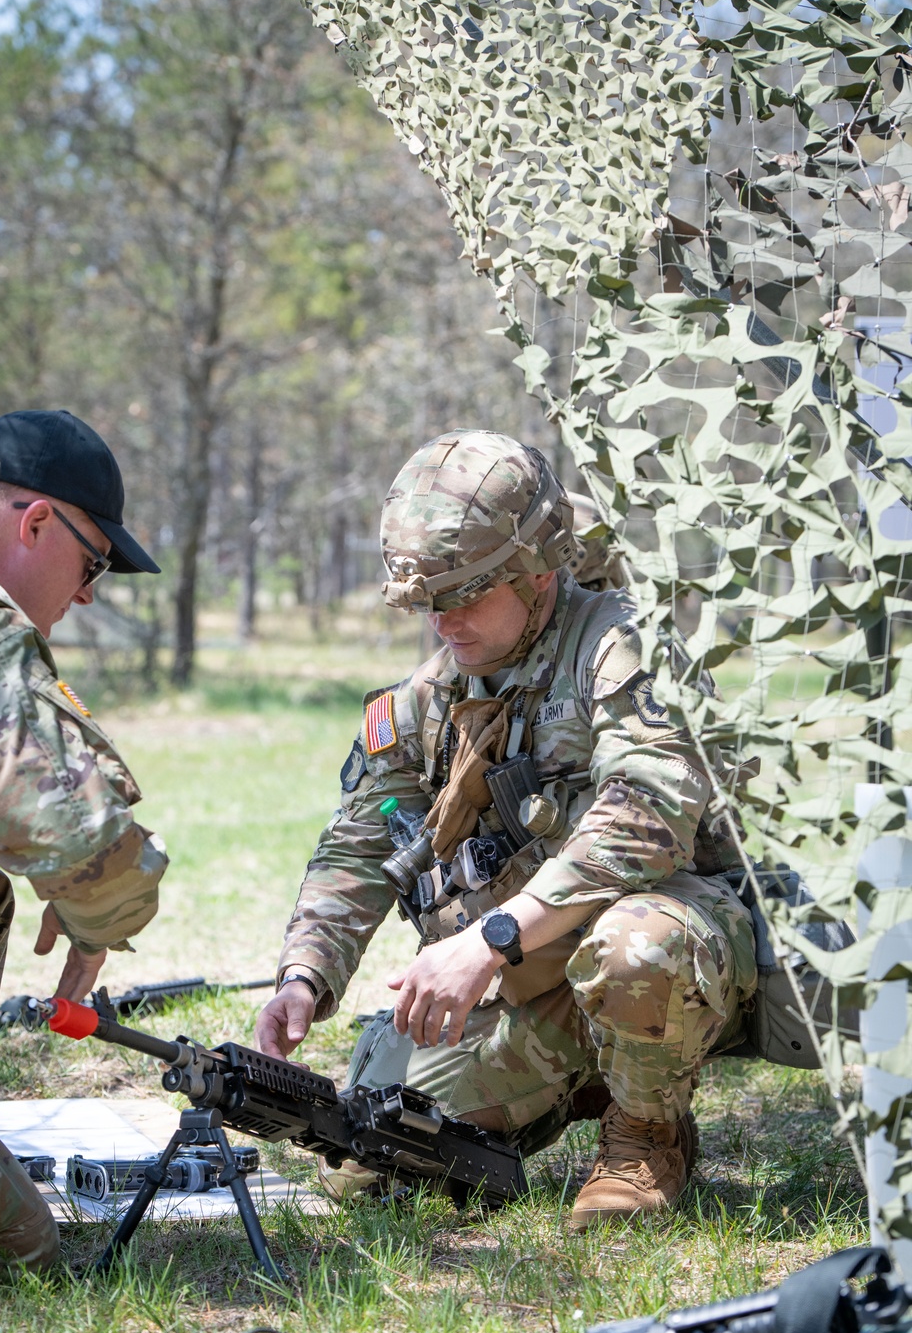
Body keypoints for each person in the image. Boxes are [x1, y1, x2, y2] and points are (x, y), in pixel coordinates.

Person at [255, 428, 757, 1229]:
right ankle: (587, 1077)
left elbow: (647, 819)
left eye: (465, 595)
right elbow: (355, 843)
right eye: (428, 602)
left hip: (672, 943)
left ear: (536, 571)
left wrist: (487, 939)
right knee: (377, 1155)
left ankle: (647, 1135)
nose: (443, 623)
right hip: (534, 974)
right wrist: (304, 975)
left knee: (636, 946)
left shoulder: (624, 648)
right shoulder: (425, 701)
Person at [0, 408, 169, 1289]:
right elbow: (90, 847)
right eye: (93, 563)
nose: (88, 593)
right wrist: (106, 915)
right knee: (8, 1233)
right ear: (34, 524)